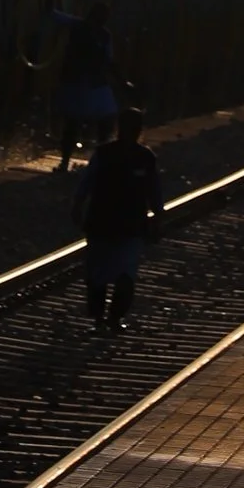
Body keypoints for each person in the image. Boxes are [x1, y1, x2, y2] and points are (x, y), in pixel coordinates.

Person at [78, 102, 164, 330]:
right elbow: (154, 190)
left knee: (107, 273)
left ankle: (106, 318)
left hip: (113, 224)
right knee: (113, 273)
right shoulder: (139, 157)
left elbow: (85, 185)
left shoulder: (114, 155)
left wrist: (77, 207)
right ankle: (108, 319)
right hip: (116, 224)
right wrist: (158, 215)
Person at [55, 2, 121, 174]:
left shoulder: (104, 35)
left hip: (94, 84)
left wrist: (121, 80)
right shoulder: (77, 26)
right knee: (73, 123)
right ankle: (66, 160)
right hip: (77, 83)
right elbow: (52, 14)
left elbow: (109, 61)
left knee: (104, 120)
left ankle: (100, 159)